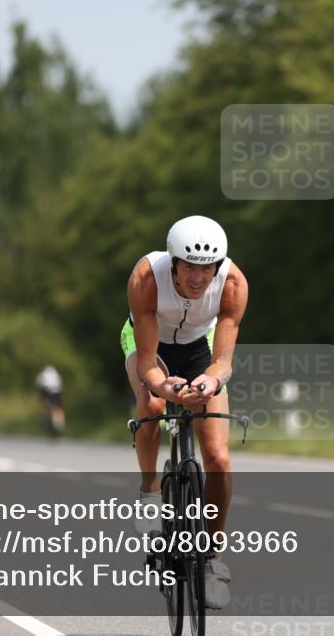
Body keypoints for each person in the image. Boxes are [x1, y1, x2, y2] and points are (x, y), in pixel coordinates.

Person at [121, 215, 248, 609]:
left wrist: (210, 381)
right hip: (150, 342)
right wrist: (164, 385)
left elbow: (223, 361)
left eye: (206, 267)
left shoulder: (232, 284)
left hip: (199, 347)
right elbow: (146, 363)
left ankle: (213, 560)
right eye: (190, 266)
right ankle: (150, 491)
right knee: (153, 404)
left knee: (219, 457)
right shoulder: (146, 278)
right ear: (173, 262)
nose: (198, 277)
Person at [36, 365, 65, 436]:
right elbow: (60, 385)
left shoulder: (42, 375)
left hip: (47, 392)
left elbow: (39, 385)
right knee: (58, 407)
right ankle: (60, 423)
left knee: (46, 406)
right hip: (57, 393)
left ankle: (46, 419)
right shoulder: (56, 374)